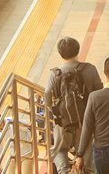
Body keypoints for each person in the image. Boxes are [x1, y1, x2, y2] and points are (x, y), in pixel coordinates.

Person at [44, 37, 103, 174]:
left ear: (60, 53)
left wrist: (52, 109)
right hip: (85, 121)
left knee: (59, 150)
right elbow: (99, 92)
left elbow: (47, 93)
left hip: (63, 122)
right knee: (87, 153)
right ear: (78, 50)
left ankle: (64, 171)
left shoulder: (55, 73)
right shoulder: (90, 69)